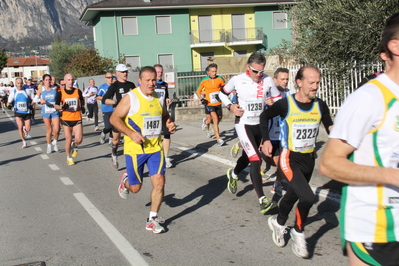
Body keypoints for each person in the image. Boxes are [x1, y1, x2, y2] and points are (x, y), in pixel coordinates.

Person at [319, 12, 399, 266]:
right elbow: (329, 164)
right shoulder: (369, 98)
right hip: (375, 232)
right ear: (395, 46)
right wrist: (393, 176)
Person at [260, 65, 333, 258]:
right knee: (308, 197)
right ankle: (298, 232)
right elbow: (264, 115)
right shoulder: (286, 104)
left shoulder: (320, 105)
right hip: (289, 158)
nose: (315, 86)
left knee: (293, 195)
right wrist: (266, 139)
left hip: (309, 159)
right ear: (299, 83)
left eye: (318, 82)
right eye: (311, 82)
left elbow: (331, 127)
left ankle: (279, 223)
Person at [110, 66, 176, 234]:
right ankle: (125, 180)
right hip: (135, 150)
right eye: (147, 80)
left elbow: (164, 115)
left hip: (155, 148)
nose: (151, 83)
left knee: (159, 181)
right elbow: (114, 118)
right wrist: (131, 133)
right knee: (135, 188)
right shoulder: (131, 98)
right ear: (139, 81)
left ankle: (152, 219)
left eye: (153, 80)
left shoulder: (158, 97)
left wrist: (168, 123)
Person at [218, 52, 281, 214]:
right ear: (248, 67)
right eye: (255, 71)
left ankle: (234, 173)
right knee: (255, 159)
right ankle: (262, 200)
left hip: (260, 125)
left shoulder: (267, 80)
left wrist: (272, 102)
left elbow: (278, 98)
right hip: (244, 124)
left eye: (261, 71)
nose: (259, 75)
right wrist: (231, 107)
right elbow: (221, 93)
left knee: (247, 157)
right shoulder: (237, 80)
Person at [262, 67, 290, 196]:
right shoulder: (267, 95)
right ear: (275, 80)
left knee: (283, 161)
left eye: (287, 79)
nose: (285, 82)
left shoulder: (289, 95)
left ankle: (277, 183)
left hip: (283, 136)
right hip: (269, 135)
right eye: (282, 79)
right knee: (269, 159)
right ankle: (241, 144)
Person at [102, 64, 136, 170]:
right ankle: (114, 155)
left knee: (132, 138)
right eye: (122, 72)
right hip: (119, 117)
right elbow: (105, 99)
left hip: (131, 116)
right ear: (117, 73)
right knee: (116, 139)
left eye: (126, 71)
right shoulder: (114, 86)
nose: (125, 74)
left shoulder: (131, 85)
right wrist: (116, 102)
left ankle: (133, 161)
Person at [55, 73, 85, 166]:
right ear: (64, 81)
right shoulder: (60, 93)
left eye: (72, 80)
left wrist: (83, 107)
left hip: (77, 118)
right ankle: (69, 157)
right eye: (68, 80)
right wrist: (62, 107)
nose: (70, 82)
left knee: (79, 139)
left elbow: (82, 100)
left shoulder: (78, 91)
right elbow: (56, 105)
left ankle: (75, 145)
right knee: (68, 139)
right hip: (66, 119)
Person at [196, 63, 226, 146]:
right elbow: (198, 92)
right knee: (215, 119)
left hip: (218, 103)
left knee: (219, 118)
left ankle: (206, 122)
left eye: (215, 71)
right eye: (212, 71)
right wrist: (202, 99)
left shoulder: (220, 79)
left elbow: (224, 88)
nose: (214, 73)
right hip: (209, 103)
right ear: (208, 72)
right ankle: (218, 138)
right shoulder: (204, 80)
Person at [154, 64, 174, 168]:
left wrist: (167, 99)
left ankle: (166, 157)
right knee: (155, 135)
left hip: (163, 113)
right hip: (152, 115)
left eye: (161, 72)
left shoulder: (164, 84)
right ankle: (155, 156)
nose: (160, 74)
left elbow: (165, 96)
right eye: (157, 72)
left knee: (167, 134)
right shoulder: (151, 84)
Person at [7, 78, 34, 148]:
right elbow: (8, 103)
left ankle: (26, 130)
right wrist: (11, 108)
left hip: (27, 112)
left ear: (23, 83)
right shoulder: (13, 93)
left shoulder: (27, 91)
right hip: (18, 112)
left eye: (21, 83)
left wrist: (31, 105)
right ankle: (24, 142)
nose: (19, 85)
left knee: (28, 129)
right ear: (16, 84)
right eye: (18, 83)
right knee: (20, 127)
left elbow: (32, 100)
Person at [36, 74, 60, 153]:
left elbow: (58, 100)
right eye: (46, 80)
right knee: (49, 130)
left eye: (49, 79)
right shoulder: (41, 90)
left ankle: (55, 142)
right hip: (46, 112)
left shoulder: (54, 89)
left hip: (54, 111)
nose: (48, 81)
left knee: (57, 129)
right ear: (43, 81)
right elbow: (34, 100)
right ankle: (49, 145)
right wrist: (40, 101)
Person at [96, 72, 114, 147]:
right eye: (108, 77)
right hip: (106, 109)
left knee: (114, 126)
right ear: (105, 78)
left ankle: (111, 140)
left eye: (111, 77)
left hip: (114, 109)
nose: (110, 79)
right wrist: (105, 99)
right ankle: (103, 133)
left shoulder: (114, 86)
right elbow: (98, 96)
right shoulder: (102, 87)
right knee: (108, 127)